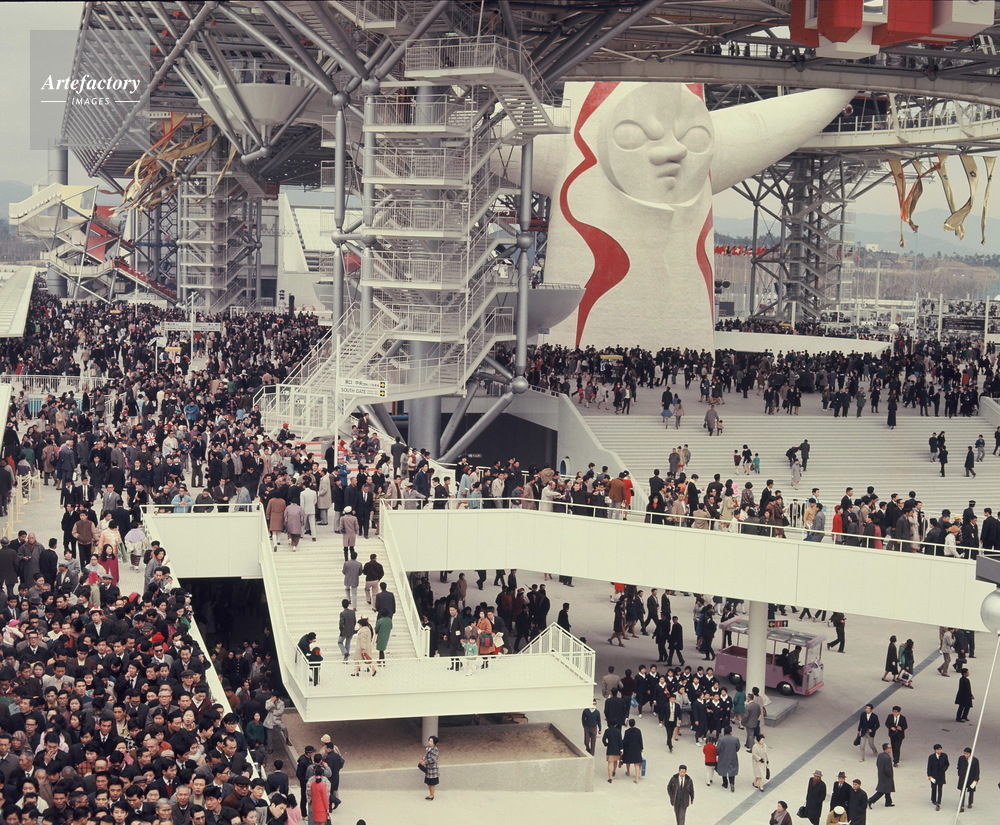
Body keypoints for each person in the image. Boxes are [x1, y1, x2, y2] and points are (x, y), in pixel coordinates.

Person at [866, 742, 895, 808]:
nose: (891, 749)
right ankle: (870, 800)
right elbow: (888, 769)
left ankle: (888, 802)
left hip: (881, 774)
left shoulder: (880, 755)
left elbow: (877, 764)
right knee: (882, 790)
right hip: (886, 776)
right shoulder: (887, 758)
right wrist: (890, 774)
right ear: (886, 749)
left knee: (887, 789)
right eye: (890, 748)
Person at [715, 726, 740, 792]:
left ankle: (725, 783)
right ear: (731, 732)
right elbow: (737, 748)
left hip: (723, 756)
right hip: (732, 756)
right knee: (732, 769)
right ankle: (732, 783)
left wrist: (719, 753)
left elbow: (718, 749)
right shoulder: (735, 739)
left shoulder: (721, 739)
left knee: (724, 769)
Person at [956, 747, 980, 811]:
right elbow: (959, 766)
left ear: (970, 754)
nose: (966, 755)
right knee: (962, 791)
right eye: (964, 753)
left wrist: (976, 779)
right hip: (963, 777)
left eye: (967, 754)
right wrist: (960, 774)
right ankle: (961, 804)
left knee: (971, 791)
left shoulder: (975, 760)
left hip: (971, 778)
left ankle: (970, 802)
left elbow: (977, 770)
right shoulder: (961, 758)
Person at [927, 743, 949, 811]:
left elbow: (947, 763)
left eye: (940, 749)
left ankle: (939, 801)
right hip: (934, 775)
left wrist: (944, 769)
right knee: (933, 788)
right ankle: (933, 799)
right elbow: (929, 766)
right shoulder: (931, 757)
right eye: (938, 750)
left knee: (940, 788)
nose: (940, 751)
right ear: (935, 750)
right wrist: (929, 775)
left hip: (941, 775)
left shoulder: (944, 756)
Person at [621, 718, 643, 783]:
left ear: (629, 724)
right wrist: (641, 748)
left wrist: (622, 747)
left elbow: (625, 741)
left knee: (628, 761)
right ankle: (636, 778)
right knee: (636, 763)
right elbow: (640, 740)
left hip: (629, 748)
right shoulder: (638, 731)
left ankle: (628, 771)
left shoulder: (627, 731)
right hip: (637, 748)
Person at [420, 735, 439, 800]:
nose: (429, 742)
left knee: (432, 783)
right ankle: (430, 794)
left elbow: (433, 759)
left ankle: (432, 795)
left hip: (432, 769)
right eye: (429, 741)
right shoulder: (428, 748)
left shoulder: (435, 749)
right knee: (428, 783)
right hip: (428, 768)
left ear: (434, 743)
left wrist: (425, 762)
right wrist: (422, 759)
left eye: (431, 741)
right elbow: (426, 755)